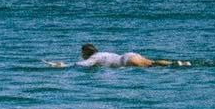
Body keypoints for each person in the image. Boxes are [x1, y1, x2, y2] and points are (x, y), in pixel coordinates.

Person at [47, 43, 190, 68]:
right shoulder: (102, 54)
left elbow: (82, 65)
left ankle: (176, 65)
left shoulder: (94, 58)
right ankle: (177, 63)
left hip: (126, 61)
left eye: (82, 52)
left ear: (86, 52)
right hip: (128, 55)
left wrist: (62, 65)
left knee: (152, 65)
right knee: (153, 63)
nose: (81, 54)